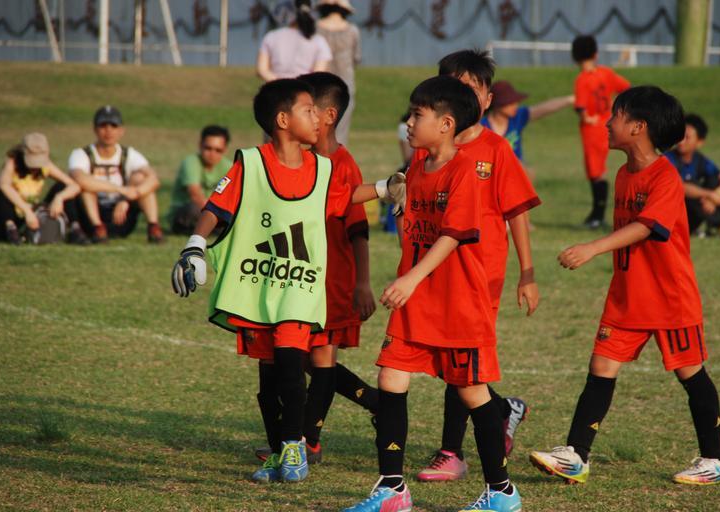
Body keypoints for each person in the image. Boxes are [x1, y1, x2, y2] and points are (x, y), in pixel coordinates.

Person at [171, 78, 404, 485]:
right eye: (307, 110)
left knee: (294, 366)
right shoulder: (251, 163)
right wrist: (194, 244)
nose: (317, 118)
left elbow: (344, 196)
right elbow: (217, 206)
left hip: (299, 287)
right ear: (283, 120)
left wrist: (386, 188)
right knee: (269, 381)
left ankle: (297, 444)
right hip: (258, 286)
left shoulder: (323, 167)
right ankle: (279, 449)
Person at [530, 86, 720, 486]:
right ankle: (576, 455)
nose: (607, 123)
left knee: (691, 373)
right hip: (627, 295)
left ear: (638, 127)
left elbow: (647, 227)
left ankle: (717, 460)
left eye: (616, 116)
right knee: (601, 367)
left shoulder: (665, 176)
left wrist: (592, 248)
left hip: (669, 296)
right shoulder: (624, 173)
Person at [344, 75, 522, 512]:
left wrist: (410, 279)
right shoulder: (417, 166)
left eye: (416, 115)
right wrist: (382, 190)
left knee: (472, 392)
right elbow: (363, 198)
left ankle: (501, 492)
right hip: (418, 301)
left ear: (445, 124)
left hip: (458, 302)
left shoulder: (464, 171)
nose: (408, 122)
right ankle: (392, 489)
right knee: (390, 377)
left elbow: (452, 236)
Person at [411, 50, 540, 485]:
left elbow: (517, 211)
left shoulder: (496, 149)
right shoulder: (426, 151)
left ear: (485, 98)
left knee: (461, 360)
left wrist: (527, 273)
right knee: (454, 363)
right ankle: (503, 410)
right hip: (435, 272)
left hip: (480, 275)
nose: (463, 95)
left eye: (472, 88)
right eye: (454, 86)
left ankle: (452, 452)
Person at [252, 72, 379, 465]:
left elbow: (357, 229)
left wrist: (362, 282)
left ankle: (309, 441)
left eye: (310, 108)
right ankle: (372, 403)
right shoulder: (289, 160)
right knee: (291, 358)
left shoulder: (342, 165)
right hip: (291, 278)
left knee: (320, 358)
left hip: (331, 279)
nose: (305, 114)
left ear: (328, 115)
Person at [68, 105, 164, 243]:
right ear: (95, 129)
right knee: (87, 186)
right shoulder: (81, 154)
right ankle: (98, 228)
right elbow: (79, 178)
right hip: (91, 214)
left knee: (140, 178)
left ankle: (153, 227)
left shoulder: (129, 154)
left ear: (121, 131)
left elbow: (153, 179)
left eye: (113, 126)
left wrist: (127, 198)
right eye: (103, 126)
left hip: (121, 216)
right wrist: (120, 190)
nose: (108, 131)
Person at [571, 35, 630, 229]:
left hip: (592, 130)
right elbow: (626, 88)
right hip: (608, 126)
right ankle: (596, 214)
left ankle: (597, 216)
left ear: (574, 57)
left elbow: (580, 106)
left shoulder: (582, 79)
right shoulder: (606, 73)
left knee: (595, 171)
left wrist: (586, 116)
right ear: (595, 54)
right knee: (599, 170)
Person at [665, 114, 720, 240]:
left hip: (696, 211)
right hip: (675, 217)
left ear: (700, 142)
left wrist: (718, 194)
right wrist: (710, 195)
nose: (681, 141)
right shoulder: (668, 159)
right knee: (693, 188)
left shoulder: (700, 160)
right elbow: (679, 187)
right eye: (680, 136)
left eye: (687, 137)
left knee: (714, 181)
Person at [0, 133, 87, 245]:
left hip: (35, 212)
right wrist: (26, 210)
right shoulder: (12, 163)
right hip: (15, 212)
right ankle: (11, 229)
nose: (35, 167)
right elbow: (4, 185)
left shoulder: (46, 166)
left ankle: (74, 228)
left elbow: (74, 186)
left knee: (62, 187)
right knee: (2, 192)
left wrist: (59, 198)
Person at [481, 80, 573, 164]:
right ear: (497, 104)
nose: (515, 105)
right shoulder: (481, 126)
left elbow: (545, 108)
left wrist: (569, 100)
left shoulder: (518, 117)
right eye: (510, 103)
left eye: (515, 102)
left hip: (516, 170)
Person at [168, 125, 232, 235]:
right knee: (194, 209)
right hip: (189, 211)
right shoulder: (191, 162)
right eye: (208, 148)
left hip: (213, 213)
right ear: (200, 145)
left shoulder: (229, 167)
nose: (212, 154)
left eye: (218, 150)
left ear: (225, 149)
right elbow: (195, 195)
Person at [316, 0, 361, 145]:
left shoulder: (315, 28)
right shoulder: (352, 30)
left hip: (320, 85)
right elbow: (356, 58)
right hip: (345, 85)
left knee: (318, 129)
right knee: (340, 131)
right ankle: (337, 158)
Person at [256, 0, 332, 82]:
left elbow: (262, 70)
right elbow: (318, 73)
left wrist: (279, 82)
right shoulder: (319, 41)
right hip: (304, 87)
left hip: (276, 88)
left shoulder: (271, 36)